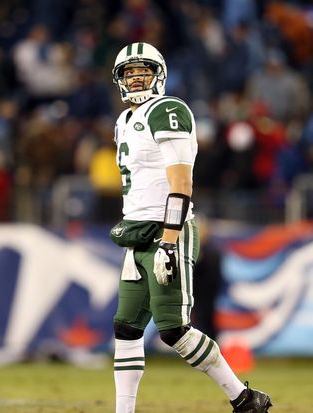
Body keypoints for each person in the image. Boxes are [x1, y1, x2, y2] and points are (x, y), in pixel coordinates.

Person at [110, 42, 272, 413]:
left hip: (168, 230)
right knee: (126, 328)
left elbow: (182, 184)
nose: (136, 79)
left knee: (173, 330)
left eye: (144, 71)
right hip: (136, 233)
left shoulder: (167, 110)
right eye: (129, 73)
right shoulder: (122, 121)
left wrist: (169, 242)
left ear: (159, 74)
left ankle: (244, 399)